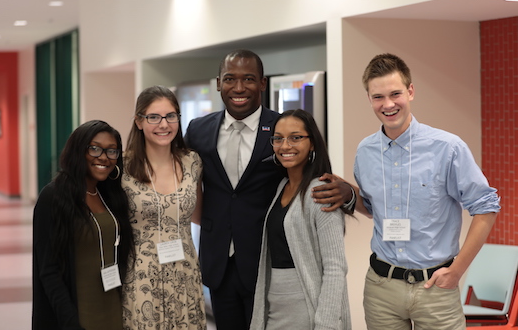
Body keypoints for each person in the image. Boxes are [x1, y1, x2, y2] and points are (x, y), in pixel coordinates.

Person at [185, 48, 355, 330]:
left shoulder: (281, 128)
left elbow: (311, 172)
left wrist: (347, 194)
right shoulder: (198, 130)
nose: (239, 88)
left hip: (266, 261)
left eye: (249, 79)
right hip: (218, 264)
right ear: (218, 83)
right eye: (230, 79)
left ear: (262, 83)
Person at [353, 53, 500, 330]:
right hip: (381, 288)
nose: (388, 104)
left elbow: (486, 206)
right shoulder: (365, 152)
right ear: (369, 98)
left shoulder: (448, 147)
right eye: (378, 97)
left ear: (410, 91)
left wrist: (457, 271)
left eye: (395, 93)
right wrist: (347, 193)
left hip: (435, 289)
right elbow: (373, 208)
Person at [249, 109, 352, 330]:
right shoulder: (281, 187)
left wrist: (326, 324)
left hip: (306, 307)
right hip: (276, 305)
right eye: (278, 138)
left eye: (296, 138)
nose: (285, 146)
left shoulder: (321, 193)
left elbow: (335, 267)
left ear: (312, 143)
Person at [32, 120, 134, 330]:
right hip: (75, 313)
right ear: (78, 150)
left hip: (112, 307)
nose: (104, 157)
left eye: (112, 151)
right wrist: (70, 321)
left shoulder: (111, 195)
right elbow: (48, 270)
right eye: (95, 149)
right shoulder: (54, 196)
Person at [121, 85, 206, 330]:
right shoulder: (122, 167)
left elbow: (199, 214)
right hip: (139, 276)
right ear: (139, 121)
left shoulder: (192, 161)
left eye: (171, 116)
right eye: (154, 117)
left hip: (184, 271)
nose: (164, 125)